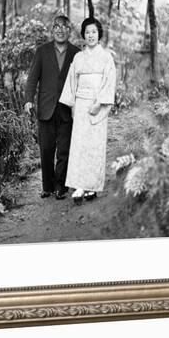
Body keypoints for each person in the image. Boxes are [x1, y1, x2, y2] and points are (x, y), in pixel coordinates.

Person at [59, 17, 116, 204]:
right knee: (79, 146)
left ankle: (93, 186)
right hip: (81, 105)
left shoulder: (106, 57)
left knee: (95, 146)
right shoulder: (78, 57)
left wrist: (99, 103)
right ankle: (79, 186)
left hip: (97, 105)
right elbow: (72, 83)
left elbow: (109, 83)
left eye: (93, 32)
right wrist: (74, 105)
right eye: (87, 32)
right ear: (83, 35)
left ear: (99, 34)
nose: (90, 35)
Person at [24, 16, 80, 200]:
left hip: (67, 109)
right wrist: (28, 100)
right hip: (46, 107)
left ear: (69, 30)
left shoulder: (76, 53)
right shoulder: (42, 51)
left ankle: (60, 187)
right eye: (57, 26)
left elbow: (82, 80)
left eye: (64, 27)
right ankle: (47, 186)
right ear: (52, 29)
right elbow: (33, 78)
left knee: (64, 149)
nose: (60, 30)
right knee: (46, 150)